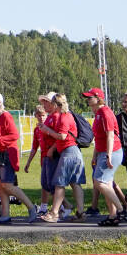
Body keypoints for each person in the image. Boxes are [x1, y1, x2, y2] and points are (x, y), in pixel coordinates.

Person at [0, 91, 37, 224]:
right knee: (0, 185)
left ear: (0, 102)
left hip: (7, 153)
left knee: (7, 184)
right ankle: (5, 214)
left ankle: (31, 207)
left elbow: (14, 135)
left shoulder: (6, 116)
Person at [37, 94, 85, 222]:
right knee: (75, 183)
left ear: (56, 104)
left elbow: (62, 136)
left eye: (51, 103)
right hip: (74, 152)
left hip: (68, 152)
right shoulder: (66, 116)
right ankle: (81, 212)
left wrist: (47, 130)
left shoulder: (63, 117)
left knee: (59, 183)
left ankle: (54, 213)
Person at [83, 87, 124, 225]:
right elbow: (98, 138)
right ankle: (113, 216)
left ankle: (120, 209)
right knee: (106, 184)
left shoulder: (105, 112)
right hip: (103, 152)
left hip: (112, 151)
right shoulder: (98, 113)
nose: (88, 100)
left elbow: (110, 135)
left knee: (98, 182)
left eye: (90, 97)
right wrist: (95, 155)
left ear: (98, 98)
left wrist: (109, 155)